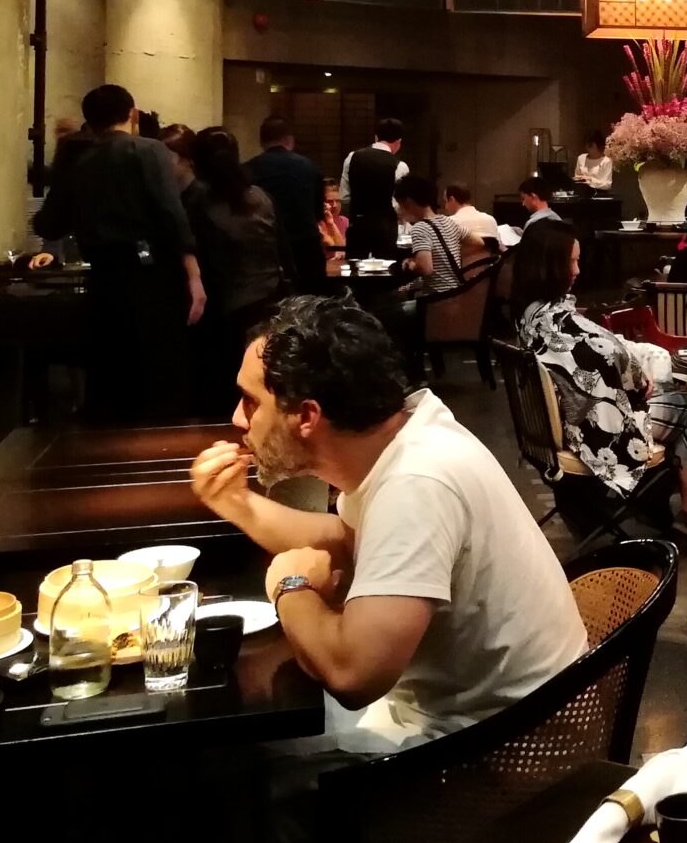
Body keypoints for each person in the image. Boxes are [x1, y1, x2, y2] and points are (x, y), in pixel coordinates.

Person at [187, 295, 586, 755]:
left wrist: (290, 587)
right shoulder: (406, 434)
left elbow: (353, 675)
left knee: (241, 755)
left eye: (251, 402)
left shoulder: (415, 482)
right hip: (488, 719)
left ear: (307, 416)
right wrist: (236, 503)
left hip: (503, 751)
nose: (238, 419)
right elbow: (347, 541)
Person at [511, 221, 687, 557]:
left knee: (680, 406)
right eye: (572, 261)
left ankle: (658, 507)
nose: (578, 270)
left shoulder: (530, 315)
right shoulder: (559, 324)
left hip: (553, 425)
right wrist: (638, 378)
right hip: (591, 432)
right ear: (549, 265)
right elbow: (607, 359)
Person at [33, 85, 204, 420]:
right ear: (132, 114)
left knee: (110, 378)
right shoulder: (149, 150)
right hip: (152, 277)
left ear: (89, 120)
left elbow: (48, 225)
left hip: (103, 280)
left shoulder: (76, 156)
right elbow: (172, 215)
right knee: (157, 376)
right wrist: (194, 275)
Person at [188, 128, 290, 407]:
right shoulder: (260, 196)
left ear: (196, 164)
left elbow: (208, 262)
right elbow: (282, 248)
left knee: (223, 391)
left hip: (226, 308)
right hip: (270, 299)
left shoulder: (200, 204)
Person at [248, 116, 325, 291]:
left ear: (261, 142)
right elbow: (317, 213)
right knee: (313, 299)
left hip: (268, 248)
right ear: (289, 140)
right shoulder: (309, 166)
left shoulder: (250, 168)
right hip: (306, 245)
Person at [341, 119, 408, 259]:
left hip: (358, 224)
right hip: (386, 227)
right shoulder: (400, 166)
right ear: (399, 141)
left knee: (355, 267)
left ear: (376, 137)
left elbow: (345, 197)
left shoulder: (352, 157)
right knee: (386, 268)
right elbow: (400, 205)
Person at [395, 175, 469, 296]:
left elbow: (426, 268)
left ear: (408, 203)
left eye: (399, 204)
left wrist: (410, 261)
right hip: (456, 295)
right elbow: (478, 241)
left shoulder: (420, 228)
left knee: (389, 306)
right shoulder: (448, 221)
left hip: (436, 300)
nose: (398, 210)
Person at [443, 183, 500, 248]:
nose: (446, 207)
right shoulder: (491, 220)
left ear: (452, 199)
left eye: (445, 201)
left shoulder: (449, 223)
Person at [319, 180, 348, 255]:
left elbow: (343, 252)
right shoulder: (317, 225)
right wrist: (330, 223)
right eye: (330, 201)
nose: (335, 205)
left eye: (338, 201)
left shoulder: (345, 221)